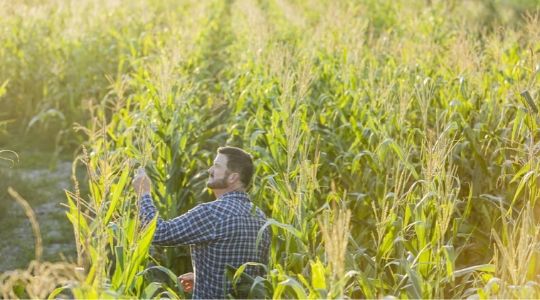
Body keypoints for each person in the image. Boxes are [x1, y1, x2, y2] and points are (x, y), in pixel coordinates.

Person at [132, 146, 271, 299]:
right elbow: (251, 276)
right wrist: (202, 279)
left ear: (232, 177)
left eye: (217, 166)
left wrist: (143, 193)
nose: (209, 170)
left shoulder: (213, 213)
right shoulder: (260, 217)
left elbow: (159, 232)